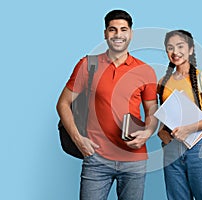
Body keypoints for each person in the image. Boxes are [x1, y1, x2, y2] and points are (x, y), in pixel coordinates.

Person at [56, 9, 158, 200]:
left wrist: (148, 131)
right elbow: (62, 104)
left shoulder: (145, 71)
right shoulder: (88, 65)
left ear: (131, 34)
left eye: (123, 29)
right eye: (113, 29)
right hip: (96, 159)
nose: (118, 35)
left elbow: (152, 109)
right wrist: (79, 140)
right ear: (105, 33)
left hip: (134, 160)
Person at [157, 30, 202, 200]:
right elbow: (163, 121)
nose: (175, 52)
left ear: (191, 49)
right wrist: (163, 135)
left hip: (199, 149)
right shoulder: (162, 82)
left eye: (180, 46)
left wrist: (189, 129)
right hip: (172, 151)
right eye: (170, 48)